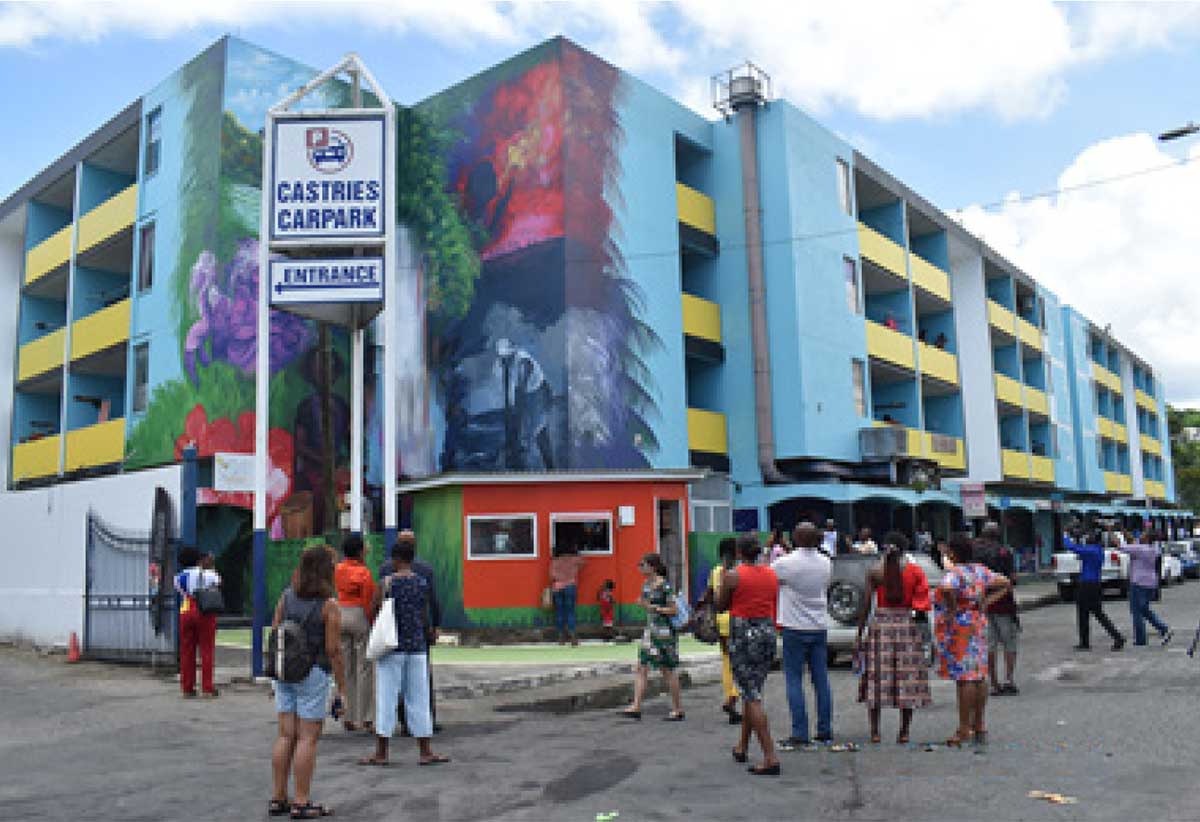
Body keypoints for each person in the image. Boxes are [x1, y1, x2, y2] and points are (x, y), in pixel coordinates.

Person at [359, 534, 450, 768]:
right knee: (419, 697)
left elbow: (374, 609)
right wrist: (426, 631)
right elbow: (423, 612)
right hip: (417, 646)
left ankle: (381, 752)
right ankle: (425, 750)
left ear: (395, 559)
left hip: (392, 647)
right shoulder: (421, 582)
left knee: (387, 697)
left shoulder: (387, 583)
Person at [270, 546, 347, 820]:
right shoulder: (329, 605)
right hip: (312, 673)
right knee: (307, 738)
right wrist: (342, 688)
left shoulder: (286, 597)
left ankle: (279, 797)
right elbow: (333, 650)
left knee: (285, 735)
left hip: (284, 672)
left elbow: (275, 629)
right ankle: (301, 802)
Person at [934, 534, 1012, 747]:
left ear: (953, 552)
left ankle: (963, 727)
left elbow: (948, 588)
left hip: (960, 627)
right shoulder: (980, 571)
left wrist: (952, 608)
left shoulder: (955, 573)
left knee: (965, 678)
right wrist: (985, 601)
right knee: (979, 675)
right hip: (978, 622)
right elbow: (1006, 582)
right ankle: (979, 723)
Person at [855, 532, 931, 745]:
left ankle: (875, 732)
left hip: (881, 627)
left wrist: (859, 635)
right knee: (907, 679)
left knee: (876, 679)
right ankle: (904, 732)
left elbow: (866, 605)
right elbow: (922, 603)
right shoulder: (915, 572)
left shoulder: (876, 572)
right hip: (906, 626)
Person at [719, 536, 780, 775]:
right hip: (766, 630)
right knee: (752, 689)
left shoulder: (733, 575)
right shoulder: (771, 574)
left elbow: (721, 604)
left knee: (751, 695)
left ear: (738, 552)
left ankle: (770, 755)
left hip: (743, 632)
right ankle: (742, 746)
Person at [774, 523, 833, 750]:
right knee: (821, 680)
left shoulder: (785, 563)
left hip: (793, 626)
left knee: (794, 680)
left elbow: (771, 580)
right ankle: (824, 730)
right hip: (818, 625)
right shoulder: (826, 562)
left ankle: (800, 732)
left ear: (796, 538)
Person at [620, 553, 685, 721]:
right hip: (650, 631)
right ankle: (636, 705)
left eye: (643, 564)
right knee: (641, 667)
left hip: (664, 633)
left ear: (653, 567)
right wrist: (644, 605)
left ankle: (678, 708)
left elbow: (673, 610)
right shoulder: (646, 585)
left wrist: (652, 607)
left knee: (667, 669)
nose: (640, 568)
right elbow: (646, 604)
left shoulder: (665, 586)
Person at [696, 538, 741, 724]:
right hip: (738, 619)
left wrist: (699, 607)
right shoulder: (738, 572)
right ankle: (734, 696)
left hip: (721, 620)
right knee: (740, 660)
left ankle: (729, 695)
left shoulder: (715, 571)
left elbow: (708, 594)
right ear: (737, 552)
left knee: (726, 660)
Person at [334, 534, 375, 733]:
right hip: (358, 614)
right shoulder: (364, 572)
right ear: (359, 550)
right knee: (364, 668)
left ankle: (347, 715)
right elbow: (369, 600)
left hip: (340, 613)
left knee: (345, 667)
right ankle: (365, 717)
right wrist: (370, 621)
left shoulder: (338, 569)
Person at [975, 523, 1020, 696]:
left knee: (989, 644)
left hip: (983, 602)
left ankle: (993, 683)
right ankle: (1008, 679)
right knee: (1009, 642)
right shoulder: (1004, 552)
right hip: (1004, 602)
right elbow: (1012, 579)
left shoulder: (976, 554)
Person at [1064, 528, 1125, 651]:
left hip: (1086, 584)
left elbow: (1072, 547)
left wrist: (1065, 535)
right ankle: (1116, 636)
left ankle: (1085, 642)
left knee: (1083, 614)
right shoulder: (1098, 550)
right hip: (1095, 583)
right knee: (1098, 613)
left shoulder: (1090, 550)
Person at [175, 548, 221, 698]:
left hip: (186, 610)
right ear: (198, 559)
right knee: (207, 650)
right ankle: (207, 687)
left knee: (187, 650)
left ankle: (187, 687)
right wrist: (210, 566)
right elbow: (218, 583)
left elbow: (182, 592)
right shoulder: (209, 574)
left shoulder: (178, 577)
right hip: (204, 611)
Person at [1124, 530, 1172, 647]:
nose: (1140, 536)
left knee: (1136, 611)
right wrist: (1127, 535)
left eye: (1142, 535)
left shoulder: (1140, 549)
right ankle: (1163, 628)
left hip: (1138, 582)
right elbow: (1132, 544)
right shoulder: (1154, 549)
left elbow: (1122, 546)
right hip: (1150, 582)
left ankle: (1141, 639)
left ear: (1146, 539)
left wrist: (1110, 531)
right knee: (1144, 609)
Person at [550, 542, 585, 645]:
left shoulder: (555, 561)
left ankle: (561, 637)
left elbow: (551, 576)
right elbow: (584, 563)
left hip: (557, 587)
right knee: (570, 611)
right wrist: (578, 553)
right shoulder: (574, 559)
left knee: (560, 612)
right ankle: (572, 635)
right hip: (570, 586)